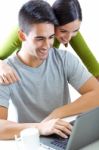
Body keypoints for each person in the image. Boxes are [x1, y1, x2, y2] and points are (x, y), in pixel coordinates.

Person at [0, 0, 73, 140]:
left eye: (51, 37)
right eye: (39, 38)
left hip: (64, 137)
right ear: (22, 36)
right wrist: (39, 127)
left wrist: (57, 113)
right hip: (31, 141)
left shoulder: (63, 59)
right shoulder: (5, 72)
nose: (47, 46)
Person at [0, 0, 99, 84]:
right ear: (53, 23)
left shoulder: (69, 29)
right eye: (63, 31)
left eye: (75, 31)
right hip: (24, 77)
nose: (69, 38)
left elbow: (92, 65)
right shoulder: (27, 30)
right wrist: (2, 66)